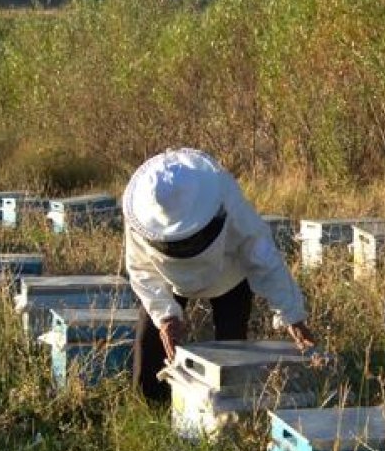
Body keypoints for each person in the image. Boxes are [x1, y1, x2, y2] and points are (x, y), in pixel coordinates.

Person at [123, 148, 318, 403]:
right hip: (168, 277)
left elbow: (262, 255)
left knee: (232, 355)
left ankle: (229, 410)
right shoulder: (140, 214)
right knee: (149, 349)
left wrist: (293, 315)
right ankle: (153, 407)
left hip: (228, 274)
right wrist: (165, 316)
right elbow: (141, 269)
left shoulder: (224, 194)